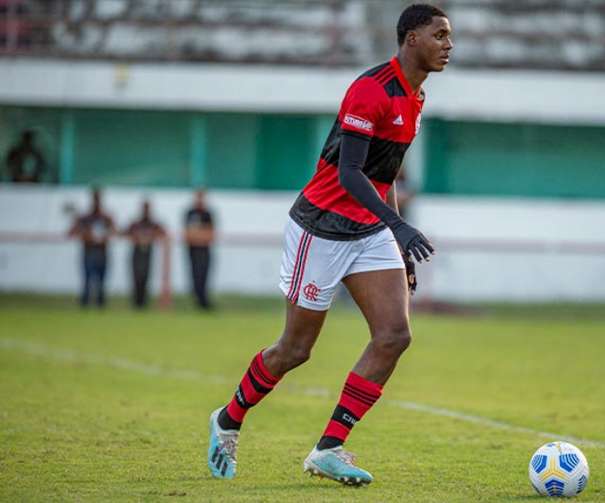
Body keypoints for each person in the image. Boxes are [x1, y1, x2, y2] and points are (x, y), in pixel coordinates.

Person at [207, 3, 452, 485]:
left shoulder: (415, 97)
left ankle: (329, 447)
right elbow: (350, 173)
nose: (449, 45)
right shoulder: (370, 90)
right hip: (320, 227)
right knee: (295, 350)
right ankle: (228, 420)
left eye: (450, 36)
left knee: (394, 335)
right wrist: (398, 228)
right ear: (410, 39)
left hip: (368, 230)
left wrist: (396, 241)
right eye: (440, 35)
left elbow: (384, 178)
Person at [67, 188, 116, 308]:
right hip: (88, 252)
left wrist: (105, 236)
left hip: (102, 252)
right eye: (95, 198)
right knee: (87, 281)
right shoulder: (85, 218)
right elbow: (71, 232)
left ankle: (101, 306)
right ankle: (84, 305)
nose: (96, 201)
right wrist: (85, 233)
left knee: (102, 282)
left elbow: (114, 231)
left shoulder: (106, 218)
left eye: (98, 198)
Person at [124, 200, 167, 309]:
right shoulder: (136, 223)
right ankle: (136, 303)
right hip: (137, 253)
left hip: (147, 254)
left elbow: (163, 232)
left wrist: (151, 237)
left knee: (145, 277)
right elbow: (126, 233)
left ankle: (143, 303)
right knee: (136, 277)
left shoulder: (153, 223)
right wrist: (137, 238)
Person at [184, 190, 215, 309]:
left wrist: (198, 236)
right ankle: (197, 301)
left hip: (204, 250)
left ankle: (204, 301)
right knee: (194, 275)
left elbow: (210, 234)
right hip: (193, 250)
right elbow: (188, 233)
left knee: (204, 275)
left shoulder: (207, 214)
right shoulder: (190, 213)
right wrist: (198, 236)